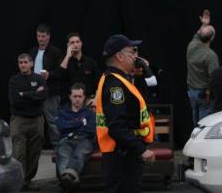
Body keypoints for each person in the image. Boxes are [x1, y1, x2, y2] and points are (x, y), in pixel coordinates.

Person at [96, 34, 156, 193]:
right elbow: (117, 126)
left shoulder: (120, 80)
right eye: (133, 52)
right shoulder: (115, 85)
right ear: (120, 57)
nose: (136, 57)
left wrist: (142, 74)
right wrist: (141, 150)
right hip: (121, 156)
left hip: (124, 154)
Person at [8, 53, 48, 191]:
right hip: (19, 120)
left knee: (34, 152)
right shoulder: (14, 80)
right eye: (20, 62)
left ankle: (27, 180)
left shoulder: (39, 79)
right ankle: (19, 182)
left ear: (31, 63)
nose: (23, 65)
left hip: (37, 120)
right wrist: (33, 94)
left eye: (25, 62)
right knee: (19, 153)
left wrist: (24, 94)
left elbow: (43, 96)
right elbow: (15, 101)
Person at [56, 83, 96, 191]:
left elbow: (91, 129)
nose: (77, 99)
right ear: (70, 97)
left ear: (84, 97)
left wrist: (71, 126)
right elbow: (61, 126)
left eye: (80, 96)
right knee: (63, 156)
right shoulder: (63, 111)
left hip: (84, 140)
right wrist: (81, 123)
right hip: (66, 140)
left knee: (79, 154)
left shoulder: (89, 113)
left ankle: (67, 181)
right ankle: (71, 180)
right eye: (75, 96)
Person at [29, 23, 64, 146]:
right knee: (34, 120)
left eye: (43, 36)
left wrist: (49, 75)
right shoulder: (32, 51)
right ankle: (35, 147)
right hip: (35, 91)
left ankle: (58, 147)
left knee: (53, 121)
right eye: (38, 36)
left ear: (48, 36)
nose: (41, 39)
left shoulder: (56, 52)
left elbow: (61, 72)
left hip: (51, 92)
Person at [186, 9, 219, 126]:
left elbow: (198, 34)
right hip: (204, 95)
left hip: (191, 92)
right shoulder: (211, 55)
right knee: (204, 125)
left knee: (195, 122)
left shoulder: (191, 46)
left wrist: (204, 24)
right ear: (212, 38)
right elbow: (214, 78)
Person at [58, 32, 100, 104]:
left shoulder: (90, 62)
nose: (75, 44)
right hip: (69, 103)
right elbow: (59, 75)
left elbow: (99, 83)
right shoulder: (64, 61)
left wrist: (95, 98)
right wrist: (68, 56)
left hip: (88, 102)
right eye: (72, 42)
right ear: (68, 45)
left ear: (81, 43)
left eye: (77, 42)